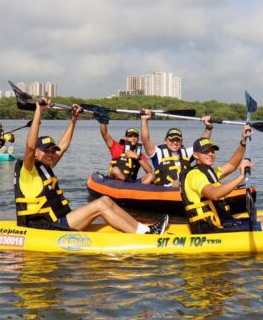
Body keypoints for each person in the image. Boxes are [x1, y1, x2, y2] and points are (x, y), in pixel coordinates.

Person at [15, 99, 167, 234]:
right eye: (45, 150)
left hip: (59, 220)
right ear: (35, 153)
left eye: (51, 150)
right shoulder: (28, 169)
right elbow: (30, 146)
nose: (50, 153)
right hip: (45, 227)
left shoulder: (47, 165)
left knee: (106, 200)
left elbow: (63, 145)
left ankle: (144, 229)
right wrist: (39, 111)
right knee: (100, 204)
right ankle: (144, 234)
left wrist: (74, 119)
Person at [182, 130, 263, 233]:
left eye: (212, 151)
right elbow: (214, 194)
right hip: (208, 228)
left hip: (220, 221)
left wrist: (243, 143)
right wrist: (241, 177)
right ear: (196, 155)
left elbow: (232, 165)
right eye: (205, 151)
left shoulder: (210, 172)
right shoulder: (195, 175)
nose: (210, 154)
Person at [138, 111, 214, 187]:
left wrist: (208, 127)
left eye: (177, 140)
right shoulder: (158, 152)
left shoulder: (186, 153)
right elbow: (145, 140)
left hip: (184, 191)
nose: (175, 142)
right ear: (165, 140)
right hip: (164, 190)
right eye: (171, 140)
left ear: (181, 141)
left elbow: (202, 143)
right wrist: (144, 120)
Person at [98, 118, 154, 183]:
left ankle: (137, 191)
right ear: (125, 138)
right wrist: (103, 120)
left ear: (138, 139)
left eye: (135, 136)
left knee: (151, 176)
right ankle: (125, 183)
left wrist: (137, 157)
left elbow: (150, 171)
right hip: (114, 180)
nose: (133, 138)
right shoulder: (116, 147)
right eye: (130, 136)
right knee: (115, 170)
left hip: (132, 182)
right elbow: (104, 133)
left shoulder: (139, 154)